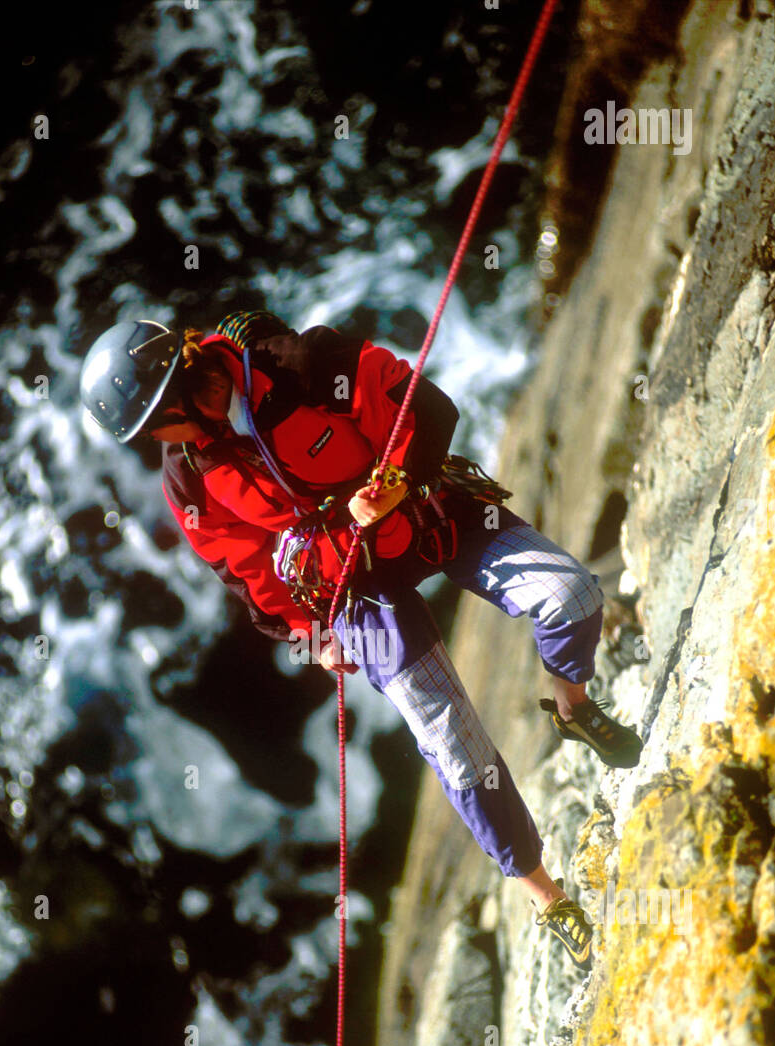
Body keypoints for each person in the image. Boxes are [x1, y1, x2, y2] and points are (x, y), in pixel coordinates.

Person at [79, 310, 643, 969]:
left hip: (426, 512)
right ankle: (547, 899)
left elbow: (424, 407)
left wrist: (395, 481)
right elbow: (246, 568)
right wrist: (306, 630)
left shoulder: (303, 364)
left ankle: (571, 707)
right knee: (451, 743)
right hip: (347, 588)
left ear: (177, 391)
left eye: (155, 425)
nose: (158, 442)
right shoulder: (188, 477)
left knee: (570, 596)